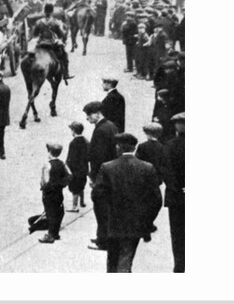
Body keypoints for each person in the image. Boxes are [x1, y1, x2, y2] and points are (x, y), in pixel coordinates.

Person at [92, 133, 162, 273]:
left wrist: (104, 220)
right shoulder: (147, 168)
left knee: (112, 259)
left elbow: (97, 196)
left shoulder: (107, 167)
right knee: (126, 258)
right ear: (135, 147)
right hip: (135, 223)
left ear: (118, 147)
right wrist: (147, 221)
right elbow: (156, 200)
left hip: (113, 223)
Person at [83, 101, 119, 251]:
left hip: (102, 176)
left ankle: (103, 240)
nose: (87, 119)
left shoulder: (100, 130)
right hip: (111, 173)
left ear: (97, 113)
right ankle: (102, 236)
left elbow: (98, 156)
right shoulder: (111, 125)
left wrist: (93, 176)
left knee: (101, 209)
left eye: (89, 115)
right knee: (107, 209)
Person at [38, 143, 72, 243]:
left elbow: (46, 181)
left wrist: (44, 187)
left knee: (50, 212)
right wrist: (61, 184)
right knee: (58, 211)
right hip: (58, 192)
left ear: (49, 152)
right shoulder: (62, 163)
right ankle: (55, 233)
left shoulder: (47, 165)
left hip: (49, 193)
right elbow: (69, 175)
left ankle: (50, 235)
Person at [164, 112, 185, 273]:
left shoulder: (171, 145)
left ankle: (180, 266)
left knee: (178, 235)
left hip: (177, 197)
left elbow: (168, 173)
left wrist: (177, 188)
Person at [33, 3, 73, 80]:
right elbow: (61, 35)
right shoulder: (55, 22)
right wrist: (65, 33)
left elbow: (35, 34)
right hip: (52, 44)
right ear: (52, 12)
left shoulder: (38, 22)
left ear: (44, 11)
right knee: (64, 55)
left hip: (41, 44)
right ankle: (66, 73)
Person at [66, 121, 89, 212]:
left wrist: (68, 166)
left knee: (75, 188)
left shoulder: (73, 143)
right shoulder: (86, 141)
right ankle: (82, 202)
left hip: (75, 169)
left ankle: (74, 206)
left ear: (73, 131)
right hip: (84, 168)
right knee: (82, 185)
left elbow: (71, 157)